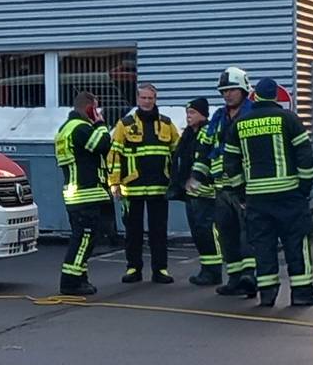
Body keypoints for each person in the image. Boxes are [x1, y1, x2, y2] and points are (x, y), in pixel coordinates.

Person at [221, 75, 313, 308]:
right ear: (275, 96)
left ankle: (267, 294)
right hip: (289, 195)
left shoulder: (240, 124)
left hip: (256, 197)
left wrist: (240, 191)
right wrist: (304, 187)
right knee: (296, 243)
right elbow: (304, 155)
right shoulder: (289, 119)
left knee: (263, 245)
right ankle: (302, 293)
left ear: (255, 96)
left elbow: (230, 162)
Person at [108, 83, 178, 283]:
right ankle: (133, 268)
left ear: (156, 99)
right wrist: (114, 183)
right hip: (132, 188)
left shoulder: (167, 124)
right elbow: (114, 155)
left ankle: (160, 269)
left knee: (159, 231)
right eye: (144, 98)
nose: (147, 102)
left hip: (159, 187)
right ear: (138, 100)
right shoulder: (125, 124)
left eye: (151, 98)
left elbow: (178, 151)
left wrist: (176, 180)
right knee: (133, 232)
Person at [53, 89, 117, 296]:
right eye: (96, 108)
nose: (98, 112)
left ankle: (80, 278)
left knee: (82, 239)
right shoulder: (80, 128)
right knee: (84, 238)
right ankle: (71, 282)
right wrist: (100, 124)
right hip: (86, 193)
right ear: (89, 108)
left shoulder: (65, 129)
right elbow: (102, 145)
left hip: (75, 192)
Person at [207, 66, 257, 297]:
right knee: (226, 233)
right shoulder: (218, 118)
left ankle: (250, 276)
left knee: (248, 231)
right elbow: (207, 147)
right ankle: (235, 278)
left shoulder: (253, 115)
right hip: (221, 187)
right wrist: (197, 176)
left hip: (245, 185)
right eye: (224, 91)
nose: (227, 94)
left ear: (244, 90)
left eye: (232, 90)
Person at [170, 95, 223, 286]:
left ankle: (213, 271)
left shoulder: (207, 132)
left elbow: (208, 159)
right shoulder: (188, 134)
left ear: (202, 114)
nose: (188, 116)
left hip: (205, 193)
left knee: (207, 232)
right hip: (192, 193)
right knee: (198, 233)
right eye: (187, 113)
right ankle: (206, 269)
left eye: (192, 112)